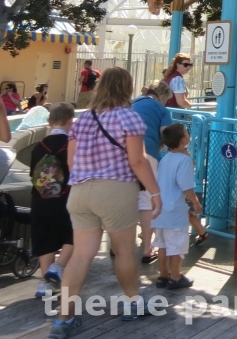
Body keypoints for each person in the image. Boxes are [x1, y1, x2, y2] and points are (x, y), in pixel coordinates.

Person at [50, 67, 162, 338]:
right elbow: (137, 160)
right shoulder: (129, 117)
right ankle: (133, 302)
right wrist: (155, 192)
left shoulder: (82, 119)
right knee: (124, 251)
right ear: (127, 88)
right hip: (114, 190)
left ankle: (63, 320)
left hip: (80, 192)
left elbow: (71, 161)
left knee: (80, 255)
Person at [30, 103, 76, 300]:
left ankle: (44, 285)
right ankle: (58, 267)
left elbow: (33, 174)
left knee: (45, 241)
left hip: (40, 201)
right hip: (64, 200)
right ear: (70, 121)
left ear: (49, 122)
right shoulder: (71, 146)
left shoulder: (38, 147)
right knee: (75, 236)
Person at [152, 123, 201, 289]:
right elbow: (186, 184)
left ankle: (162, 276)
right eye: (187, 132)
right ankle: (175, 276)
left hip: (160, 209)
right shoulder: (185, 160)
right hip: (175, 209)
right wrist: (195, 201)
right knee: (177, 245)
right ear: (183, 140)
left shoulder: (165, 158)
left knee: (162, 244)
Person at [131, 82, 173, 264]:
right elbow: (167, 135)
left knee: (126, 198)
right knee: (147, 201)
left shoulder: (132, 103)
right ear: (162, 96)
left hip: (124, 152)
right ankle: (148, 248)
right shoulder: (161, 110)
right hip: (147, 152)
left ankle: (115, 247)